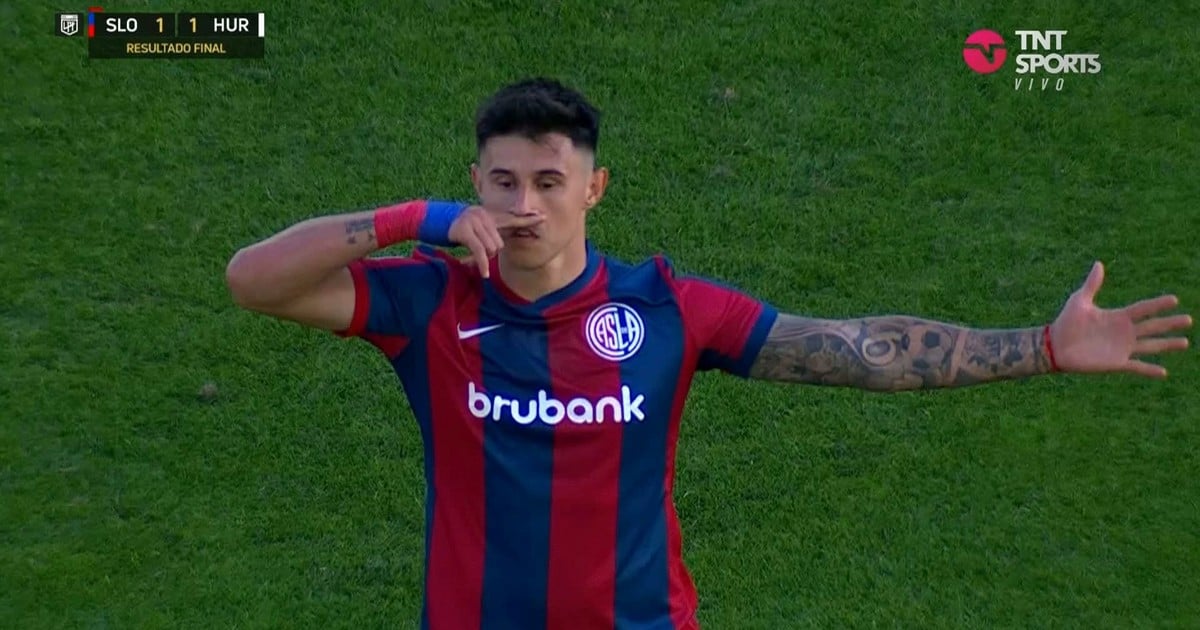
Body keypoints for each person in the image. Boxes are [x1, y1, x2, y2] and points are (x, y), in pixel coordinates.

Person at [224, 77, 1192, 630]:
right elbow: (253, 281)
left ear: (594, 189)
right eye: (503, 182)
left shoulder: (669, 309)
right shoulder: (430, 302)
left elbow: (855, 350)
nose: (524, 206)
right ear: (473, 181)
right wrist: (408, 219)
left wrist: (1044, 347)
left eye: (549, 182)